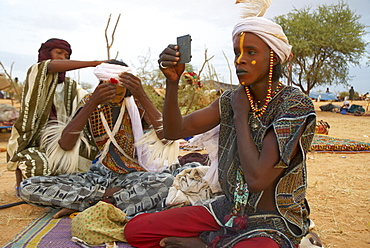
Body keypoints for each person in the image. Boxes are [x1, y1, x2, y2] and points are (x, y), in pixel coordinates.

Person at [124, 2, 317, 248]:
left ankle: (207, 243)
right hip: (230, 210)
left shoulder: (294, 105)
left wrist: (239, 115)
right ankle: (210, 241)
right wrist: (172, 82)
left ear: (274, 57)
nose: (240, 60)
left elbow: (257, 180)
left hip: (274, 220)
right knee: (137, 230)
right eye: (237, 52)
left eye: (251, 52)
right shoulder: (231, 99)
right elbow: (173, 131)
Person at [18, 60, 178, 219]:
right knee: (27, 186)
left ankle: (92, 204)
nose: (115, 96)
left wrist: (141, 94)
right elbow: (65, 144)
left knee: (167, 181)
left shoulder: (135, 104)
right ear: (101, 84)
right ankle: (112, 200)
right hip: (96, 177)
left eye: (120, 92)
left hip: (132, 175)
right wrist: (93, 102)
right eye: (109, 89)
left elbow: (167, 137)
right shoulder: (89, 102)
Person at [7, 38, 107, 189]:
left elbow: (87, 101)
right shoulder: (37, 71)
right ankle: (22, 186)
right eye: (58, 53)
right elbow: (51, 66)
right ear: (46, 54)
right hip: (32, 138)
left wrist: (104, 83)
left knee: (89, 155)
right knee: (39, 165)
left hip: (60, 139)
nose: (62, 58)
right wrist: (95, 63)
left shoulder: (71, 86)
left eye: (66, 56)